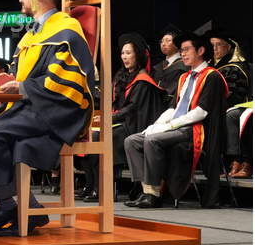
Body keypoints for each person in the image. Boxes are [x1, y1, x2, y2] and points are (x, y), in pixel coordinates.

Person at [0, 0, 95, 236]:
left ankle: (11, 208)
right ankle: (21, 209)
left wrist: (22, 87)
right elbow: (24, 75)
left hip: (58, 109)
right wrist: (11, 82)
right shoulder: (33, 34)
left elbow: (65, 82)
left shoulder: (66, 30)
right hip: (32, 105)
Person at [124, 31, 228, 209]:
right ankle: (147, 190)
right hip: (177, 127)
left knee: (152, 141)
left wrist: (169, 126)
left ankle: (154, 195)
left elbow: (201, 112)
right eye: (181, 50)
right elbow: (173, 108)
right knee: (131, 141)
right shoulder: (184, 77)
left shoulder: (212, 76)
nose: (183, 54)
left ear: (201, 50)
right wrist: (157, 125)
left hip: (194, 129)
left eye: (186, 50)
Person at [79, 33, 167, 202]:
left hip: (133, 126)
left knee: (98, 137)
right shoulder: (120, 76)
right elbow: (112, 102)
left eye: (128, 53)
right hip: (119, 121)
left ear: (137, 55)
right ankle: (93, 184)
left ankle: (102, 187)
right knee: (90, 134)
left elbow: (131, 109)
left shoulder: (143, 81)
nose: (124, 57)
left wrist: (108, 119)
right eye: (122, 53)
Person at [205, 28, 252, 177]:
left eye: (219, 45)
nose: (215, 49)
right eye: (212, 45)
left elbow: (234, 95)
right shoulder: (213, 67)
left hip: (232, 106)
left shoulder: (234, 67)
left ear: (229, 47)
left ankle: (235, 161)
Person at [151, 24, 190, 100]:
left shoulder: (182, 66)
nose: (163, 44)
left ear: (176, 45)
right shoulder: (159, 67)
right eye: (162, 41)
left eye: (168, 40)